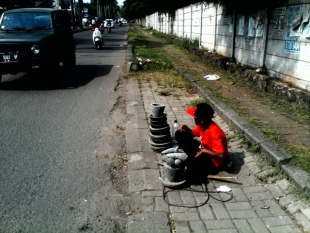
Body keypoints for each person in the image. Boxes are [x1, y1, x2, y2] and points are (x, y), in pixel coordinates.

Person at [175, 103, 229, 179]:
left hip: (213, 161)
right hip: (203, 150)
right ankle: (195, 158)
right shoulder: (202, 125)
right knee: (179, 134)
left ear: (201, 120)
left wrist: (204, 151)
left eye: (195, 118)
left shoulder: (215, 133)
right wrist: (186, 128)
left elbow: (221, 155)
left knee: (189, 163)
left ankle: (195, 164)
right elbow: (193, 133)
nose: (194, 119)